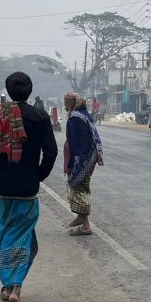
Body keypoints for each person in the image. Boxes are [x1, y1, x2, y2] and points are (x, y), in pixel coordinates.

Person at [0, 72, 57, 302]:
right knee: (23, 236)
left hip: (5, 187)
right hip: (28, 186)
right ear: (29, 91)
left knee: (8, 233)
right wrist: (38, 175)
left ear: (9, 91)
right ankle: (16, 287)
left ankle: (8, 284)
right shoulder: (40, 117)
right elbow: (51, 152)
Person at [64, 92, 104, 235]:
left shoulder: (74, 119)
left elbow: (75, 144)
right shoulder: (85, 115)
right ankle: (82, 219)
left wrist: (72, 163)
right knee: (81, 187)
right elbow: (95, 135)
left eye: (65, 103)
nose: (64, 106)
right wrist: (99, 152)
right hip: (91, 157)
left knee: (80, 189)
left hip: (82, 159)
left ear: (69, 104)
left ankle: (85, 225)